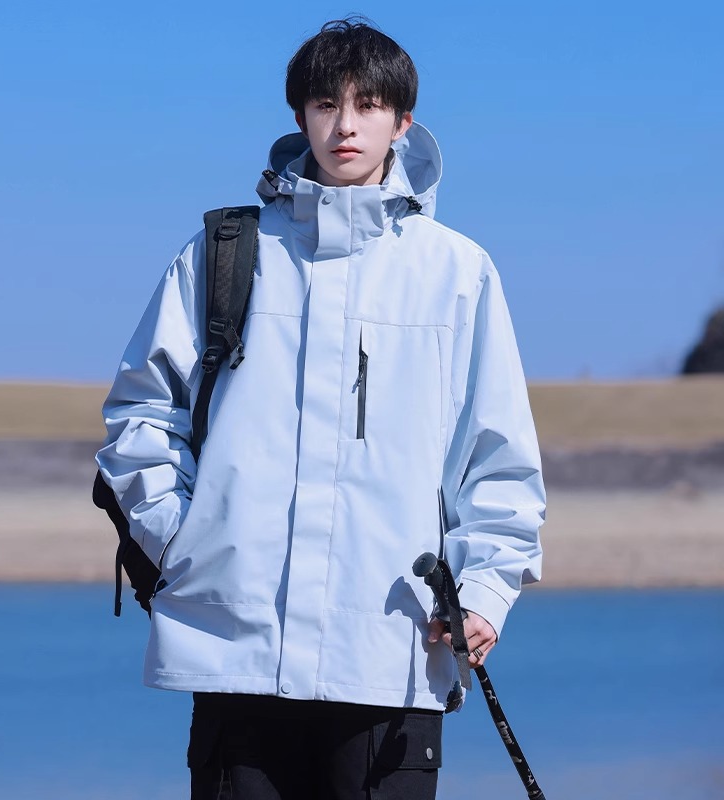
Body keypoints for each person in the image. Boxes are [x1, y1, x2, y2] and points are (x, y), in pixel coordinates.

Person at [96, 17, 545, 800]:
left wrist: (484, 591)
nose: (345, 126)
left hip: (392, 651)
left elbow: (497, 456)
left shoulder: (457, 272)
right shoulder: (222, 254)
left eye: (368, 105)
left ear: (403, 122)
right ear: (300, 115)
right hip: (236, 648)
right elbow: (142, 415)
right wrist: (187, 545)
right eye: (326, 104)